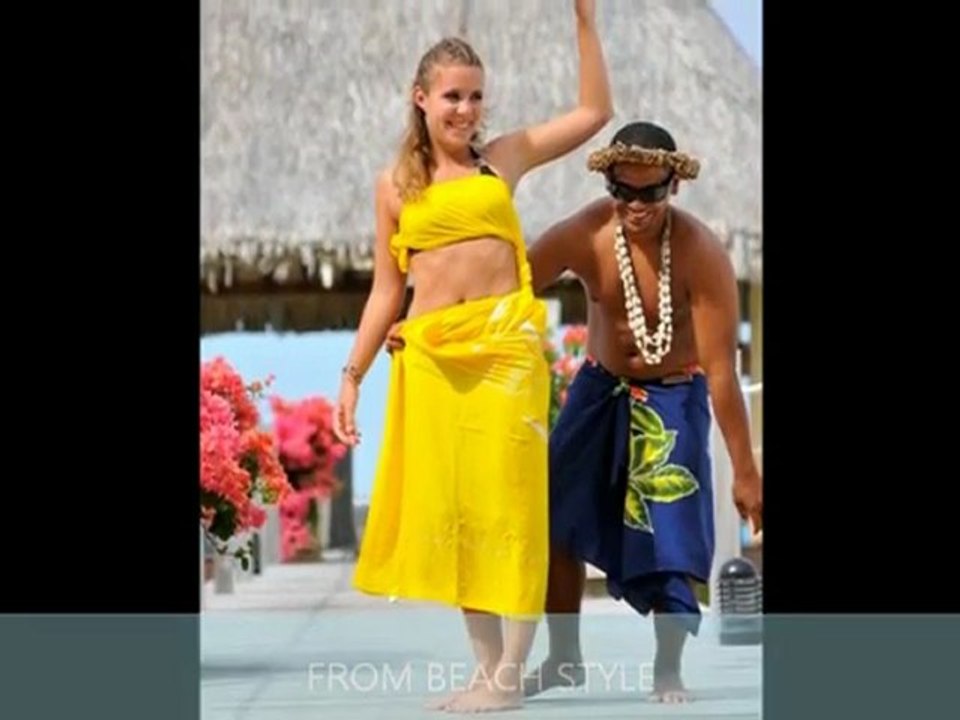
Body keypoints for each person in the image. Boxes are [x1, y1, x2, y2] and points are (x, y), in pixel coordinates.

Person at [332, 1, 612, 713]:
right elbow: (385, 291)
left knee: (512, 508)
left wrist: (585, 18)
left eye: (476, 95)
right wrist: (352, 376)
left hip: (506, 355)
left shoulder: (503, 160)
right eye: (452, 95)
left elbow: (592, 113)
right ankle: (487, 670)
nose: (465, 109)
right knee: (458, 514)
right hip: (431, 360)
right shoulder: (394, 187)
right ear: (420, 99)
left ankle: (512, 677)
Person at [519, 120, 764, 703]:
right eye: (622, 192)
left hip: (675, 394)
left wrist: (747, 471)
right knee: (557, 517)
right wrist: (430, 324)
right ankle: (563, 656)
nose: (636, 205)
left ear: (672, 188)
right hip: (599, 388)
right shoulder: (585, 233)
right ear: (609, 185)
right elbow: (506, 284)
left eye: (650, 193)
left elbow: (722, 372)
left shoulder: (702, 255)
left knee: (671, 538)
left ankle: (668, 668)